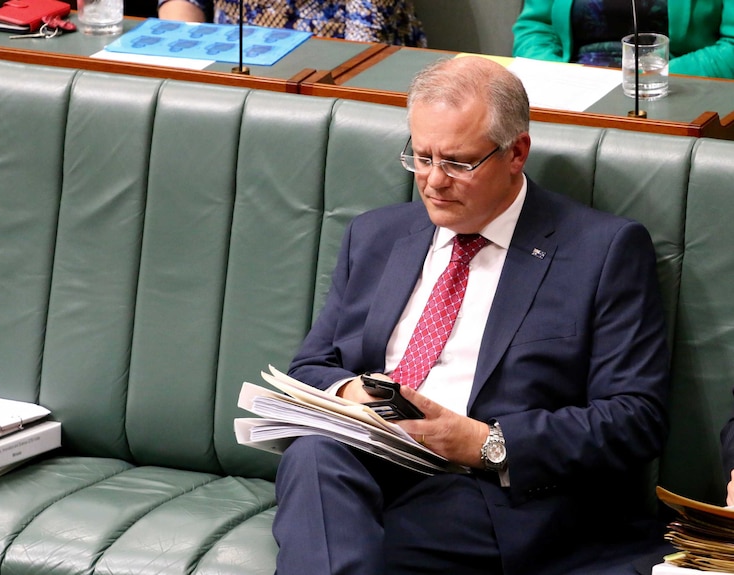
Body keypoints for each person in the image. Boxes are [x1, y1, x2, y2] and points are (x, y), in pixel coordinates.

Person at [272, 55, 672, 574]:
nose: (434, 181)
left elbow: (635, 417)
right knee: (312, 456)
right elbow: (311, 366)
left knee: (351, 548)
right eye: (420, 157)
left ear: (516, 153)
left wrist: (487, 444)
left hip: (489, 491)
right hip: (370, 463)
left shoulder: (603, 250)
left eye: (458, 163)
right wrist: (354, 396)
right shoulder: (375, 236)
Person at [513, 0, 734, 79]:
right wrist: (559, 77)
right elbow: (535, 28)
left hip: (674, 90)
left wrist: (650, 79)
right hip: (573, 90)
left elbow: (731, 48)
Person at [156, 0, 427, 47]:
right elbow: (183, 3)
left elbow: (366, 43)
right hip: (229, 60)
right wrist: (186, 45)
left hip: (327, 69)